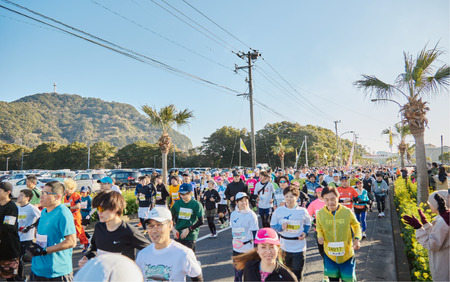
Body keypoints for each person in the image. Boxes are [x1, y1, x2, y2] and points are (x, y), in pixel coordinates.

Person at [78, 190, 150, 267]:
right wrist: (87, 257)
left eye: (102, 209)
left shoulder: (129, 231)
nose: (99, 212)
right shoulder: (98, 227)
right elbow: (95, 249)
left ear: (115, 209)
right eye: (97, 209)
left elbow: (151, 251)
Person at [27, 180, 77, 281]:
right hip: (37, 270)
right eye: (42, 193)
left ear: (57, 196)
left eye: (45, 193)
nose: (41, 196)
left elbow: (72, 242)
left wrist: (45, 251)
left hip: (56, 272)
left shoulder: (63, 213)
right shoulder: (44, 212)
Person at [136, 207, 203, 281]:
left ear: (170, 225)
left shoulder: (184, 253)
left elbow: (198, 279)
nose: (154, 230)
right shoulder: (142, 255)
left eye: (159, 225)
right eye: (150, 226)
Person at [316, 187, 361, 282]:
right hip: (330, 255)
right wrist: (320, 236)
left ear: (338, 197)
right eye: (326, 199)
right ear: (323, 199)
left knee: (348, 280)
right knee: (332, 280)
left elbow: (356, 225)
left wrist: (357, 239)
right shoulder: (320, 213)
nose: (330, 202)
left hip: (347, 255)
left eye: (333, 199)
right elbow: (319, 228)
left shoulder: (347, 212)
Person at [402, 191, 449, 281]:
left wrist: (418, 228)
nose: (429, 205)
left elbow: (432, 244)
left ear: (437, 204)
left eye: (430, 203)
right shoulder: (444, 219)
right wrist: (426, 224)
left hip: (443, 266)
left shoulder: (444, 222)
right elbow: (439, 236)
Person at [270, 187, 311, 280]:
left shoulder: (302, 211)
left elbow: (308, 224)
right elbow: (273, 225)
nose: (289, 199)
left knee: (297, 273)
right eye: (287, 196)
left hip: (299, 247)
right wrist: (281, 227)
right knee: (285, 274)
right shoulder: (278, 211)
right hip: (284, 246)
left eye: (292, 197)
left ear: (297, 198)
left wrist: (305, 233)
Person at [233, 228, 298, 282]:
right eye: (263, 247)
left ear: (278, 248)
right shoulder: (249, 267)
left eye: (272, 247)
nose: (268, 251)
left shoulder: (288, 277)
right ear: (257, 249)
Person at [230, 192, 259, 282]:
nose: (244, 203)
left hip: (248, 250)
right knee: (238, 276)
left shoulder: (251, 215)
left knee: (249, 276)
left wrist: (256, 250)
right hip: (237, 248)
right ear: (236, 202)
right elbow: (234, 231)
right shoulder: (233, 214)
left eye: (246, 200)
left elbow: (255, 234)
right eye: (241, 201)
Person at [170, 183, 204, 252]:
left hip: (191, 235)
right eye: (181, 194)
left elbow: (201, 221)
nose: (183, 196)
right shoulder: (177, 204)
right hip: (178, 234)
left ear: (190, 193)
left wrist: (189, 229)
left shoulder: (197, 205)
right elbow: (169, 218)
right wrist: (173, 229)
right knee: (178, 258)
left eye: (185, 194)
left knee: (188, 258)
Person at [17, 189, 41, 280]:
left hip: (27, 238)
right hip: (17, 237)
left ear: (27, 198)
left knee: (20, 258)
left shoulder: (32, 208)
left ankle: (22, 278)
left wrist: (30, 227)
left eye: (21, 195)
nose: (18, 197)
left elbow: (41, 217)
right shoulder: (17, 208)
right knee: (17, 258)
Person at [0, 182, 21, 280]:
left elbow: (8, 227)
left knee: (11, 276)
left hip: (10, 248)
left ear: (7, 192)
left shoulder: (11, 207)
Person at [75, 253, 144, 282]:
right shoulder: (99, 228)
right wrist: (88, 256)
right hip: (101, 271)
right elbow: (95, 248)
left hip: (122, 272)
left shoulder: (128, 230)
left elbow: (146, 247)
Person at [64, 179, 90, 253]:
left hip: (75, 215)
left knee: (79, 230)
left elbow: (78, 206)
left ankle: (85, 243)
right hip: (69, 215)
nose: (66, 191)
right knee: (68, 231)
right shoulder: (66, 196)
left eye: (67, 189)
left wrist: (69, 208)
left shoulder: (76, 195)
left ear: (72, 188)